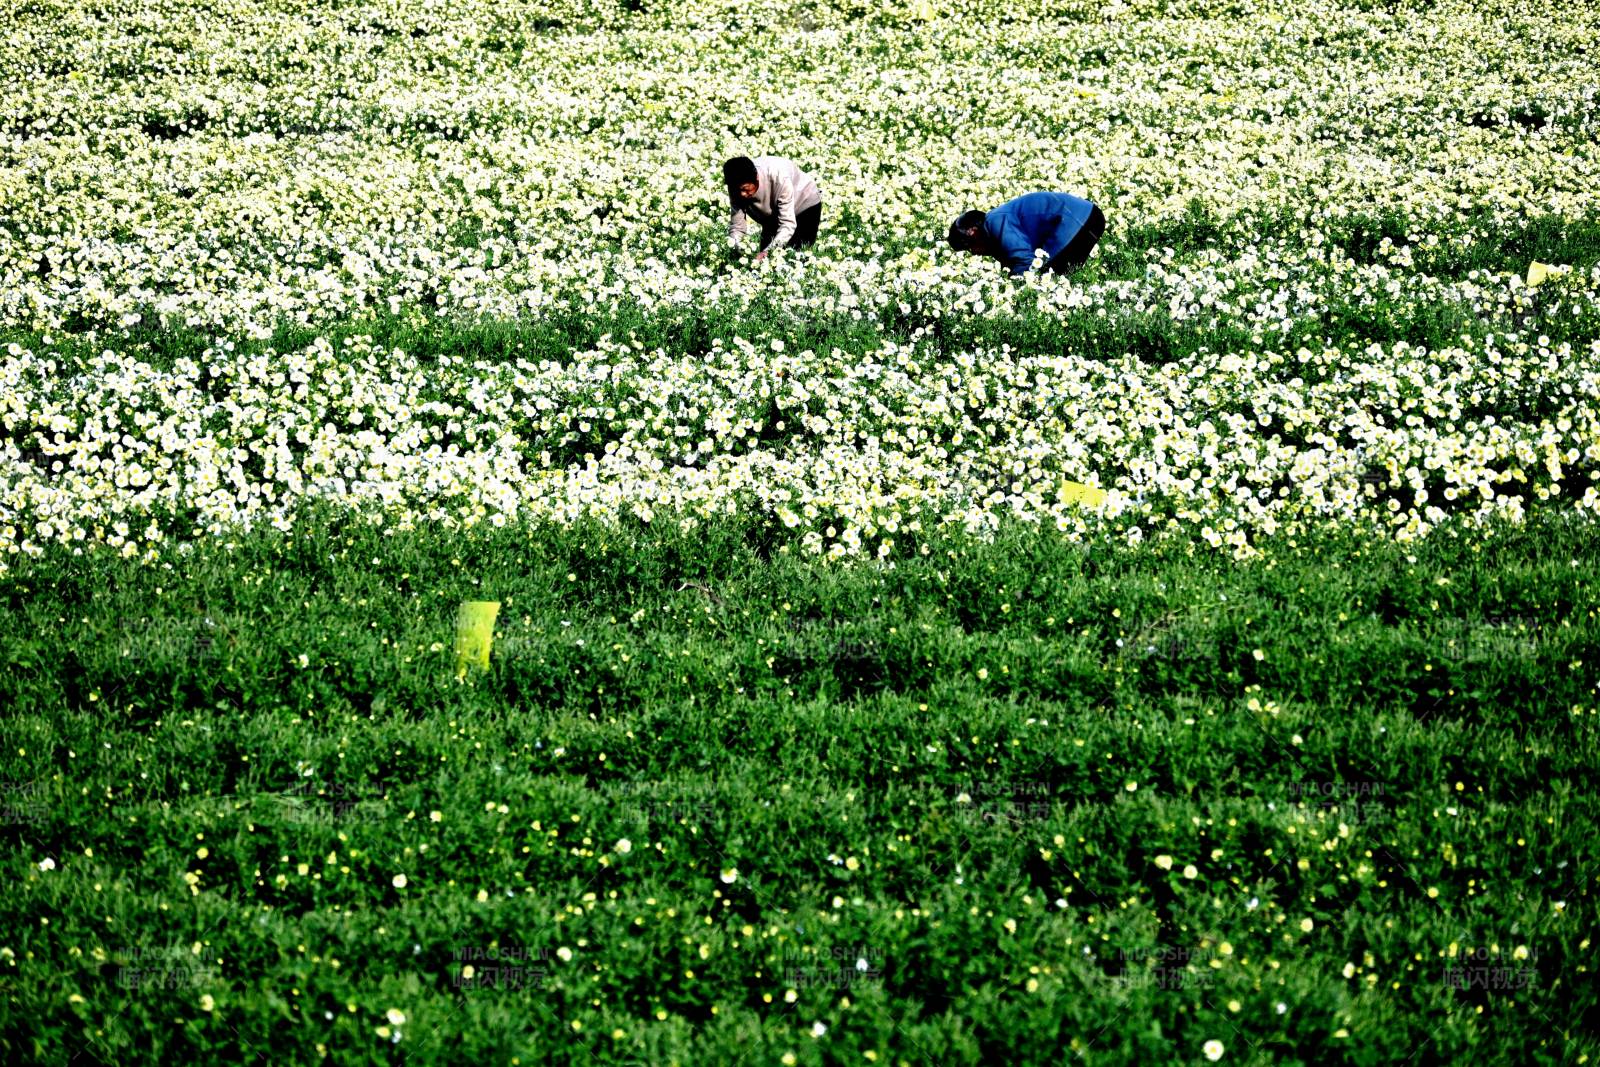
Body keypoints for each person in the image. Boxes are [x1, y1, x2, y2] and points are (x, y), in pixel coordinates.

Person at [947, 191, 1105, 277]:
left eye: (969, 248)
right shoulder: (994, 224)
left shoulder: (994, 222)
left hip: (1077, 221)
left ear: (973, 232)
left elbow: (1024, 260)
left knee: (1048, 275)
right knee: (1066, 276)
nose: (974, 253)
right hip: (1089, 216)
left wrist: (1014, 289)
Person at [723, 156, 822, 261]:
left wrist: (768, 252)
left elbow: (787, 224)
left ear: (756, 178)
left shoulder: (778, 177)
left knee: (795, 256)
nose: (742, 194)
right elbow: (737, 227)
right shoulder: (735, 186)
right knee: (765, 261)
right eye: (737, 190)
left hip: (805, 205)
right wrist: (735, 248)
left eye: (745, 189)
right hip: (772, 215)